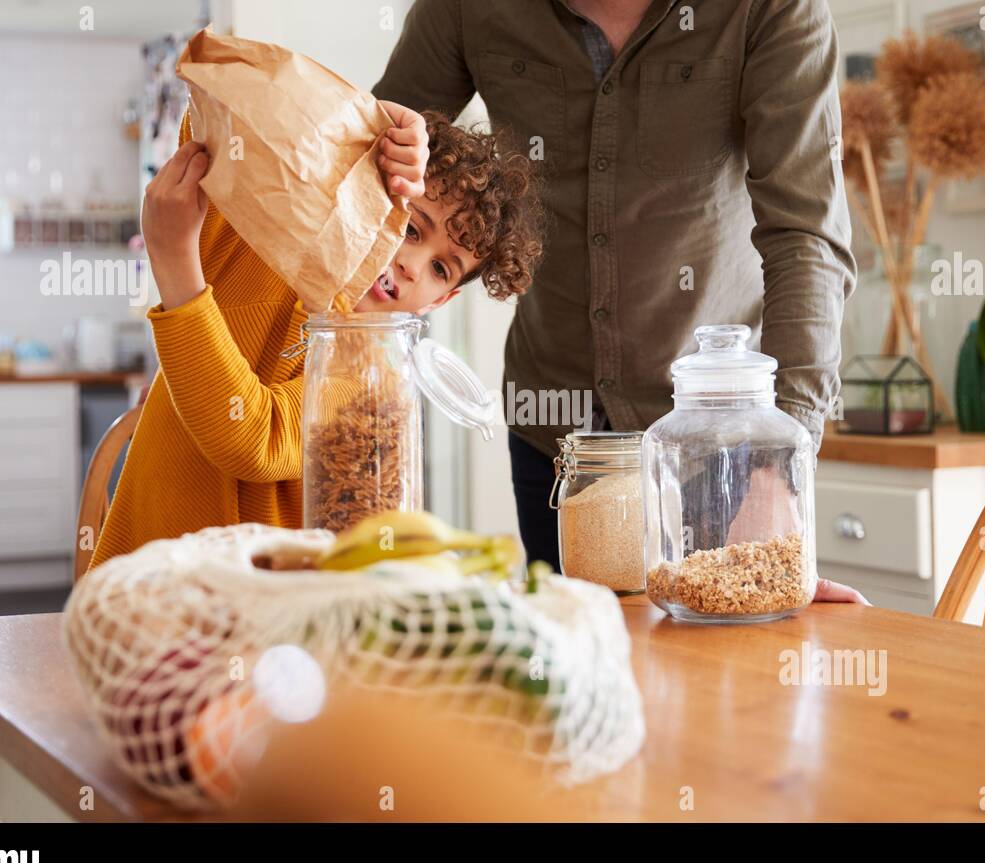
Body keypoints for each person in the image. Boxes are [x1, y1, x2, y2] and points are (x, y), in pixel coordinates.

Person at [375, 0, 867, 602]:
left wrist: (777, 471)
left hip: (720, 443)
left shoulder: (771, 10)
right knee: (574, 670)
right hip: (554, 428)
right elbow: (371, 161)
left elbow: (805, 236)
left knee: (728, 679)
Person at [90, 107, 544, 569]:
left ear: (437, 302)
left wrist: (173, 261)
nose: (411, 264)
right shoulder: (264, 236)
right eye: (411, 228)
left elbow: (252, 439)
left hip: (268, 613)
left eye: (440, 268)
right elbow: (215, 113)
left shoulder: (371, 377)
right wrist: (359, 119)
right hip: (140, 586)